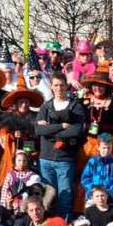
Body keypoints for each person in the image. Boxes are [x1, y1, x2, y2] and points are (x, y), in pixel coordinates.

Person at [36, 73, 85, 218]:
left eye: (61, 85)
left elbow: (77, 130)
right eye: (56, 85)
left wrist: (50, 130)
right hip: (45, 157)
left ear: (66, 86)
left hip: (65, 158)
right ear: (51, 86)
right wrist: (62, 126)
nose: (59, 88)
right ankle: (48, 223)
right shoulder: (46, 106)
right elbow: (39, 130)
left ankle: (65, 224)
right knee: (47, 196)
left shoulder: (75, 106)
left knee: (65, 195)